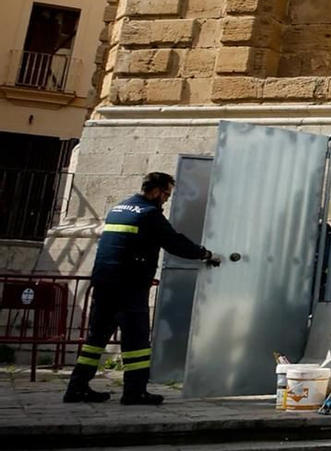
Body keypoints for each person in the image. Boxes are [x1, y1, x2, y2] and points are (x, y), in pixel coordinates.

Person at [62, 171, 221, 407]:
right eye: (166, 193)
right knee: (136, 341)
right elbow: (174, 242)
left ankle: (76, 388)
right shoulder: (149, 214)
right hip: (129, 285)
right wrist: (205, 254)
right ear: (156, 191)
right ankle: (134, 392)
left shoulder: (119, 208)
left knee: (96, 338)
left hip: (104, 283)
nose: (166, 199)